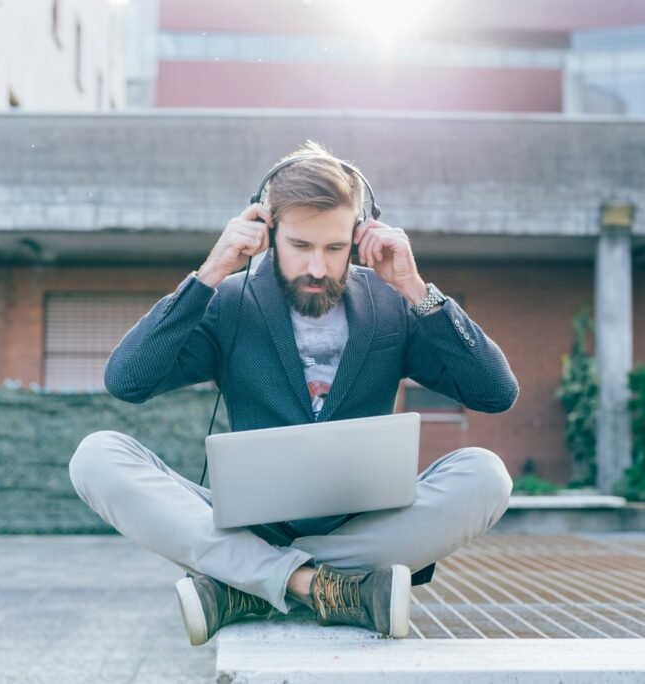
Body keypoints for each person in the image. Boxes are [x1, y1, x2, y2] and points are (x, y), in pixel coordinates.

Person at [68, 141, 518, 646]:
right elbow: (127, 381)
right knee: (96, 456)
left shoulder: (392, 304)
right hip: (251, 527)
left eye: (334, 248)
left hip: (362, 530)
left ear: (359, 236)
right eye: (301, 246)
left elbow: (495, 391)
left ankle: (250, 585)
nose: (318, 268)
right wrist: (211, 272)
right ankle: (318, 585)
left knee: (486, 475)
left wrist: (415, 287)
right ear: (268, 232)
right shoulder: (230, 302)